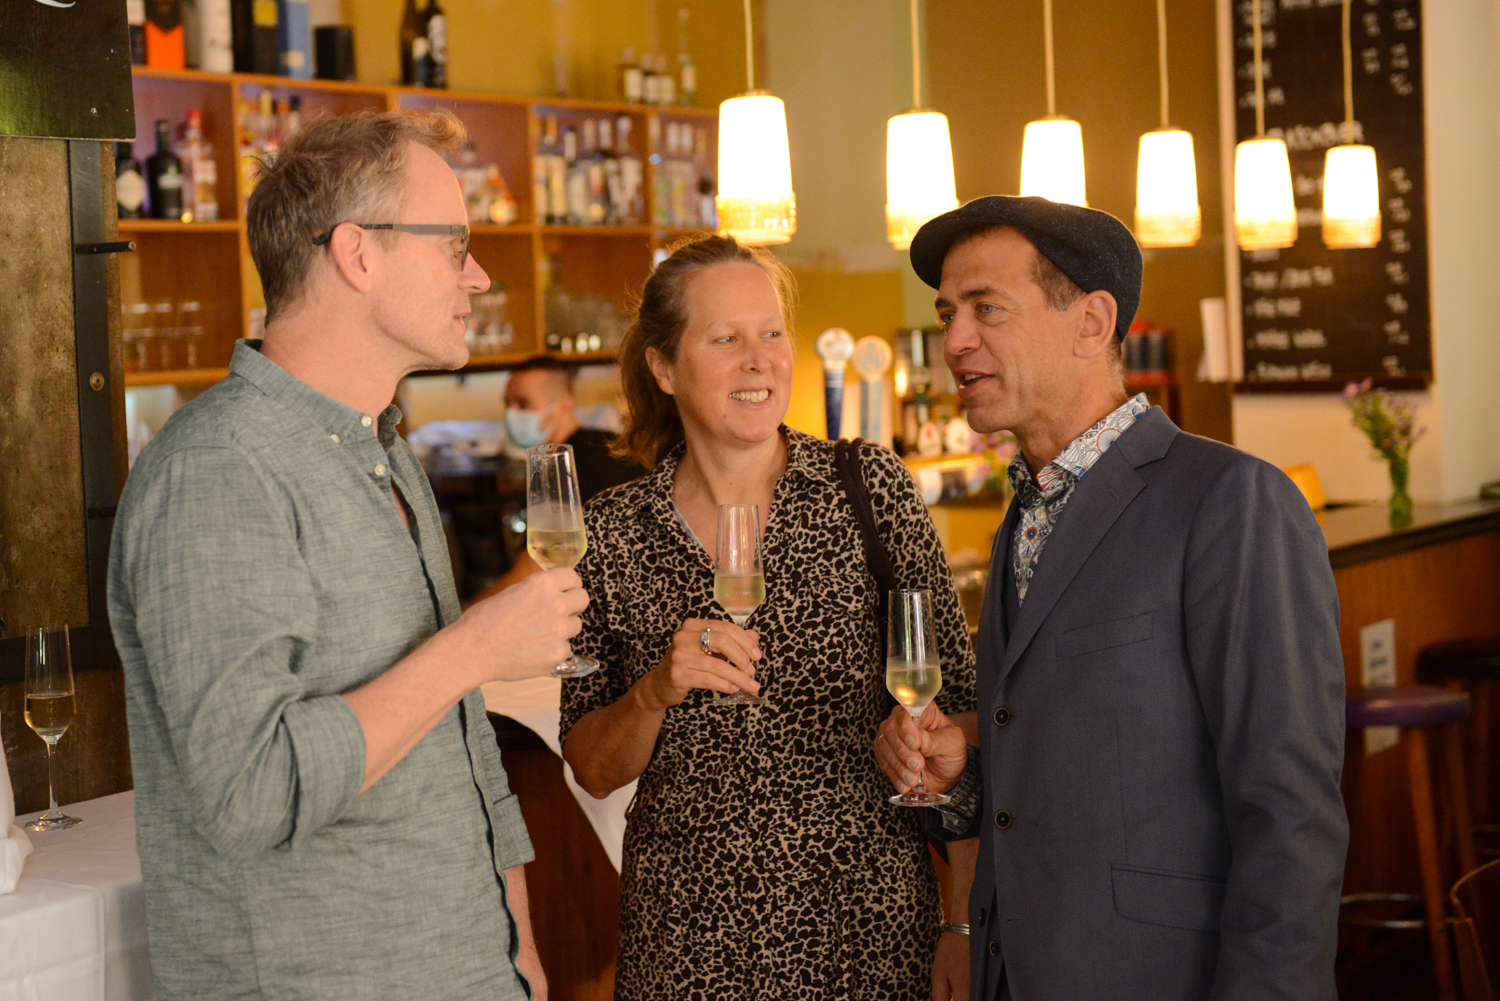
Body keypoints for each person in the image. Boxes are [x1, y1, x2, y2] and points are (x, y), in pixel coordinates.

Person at [107, 110, 590, 1001]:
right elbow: (251, 790)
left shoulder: (385, 451)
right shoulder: (218, 469)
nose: (479, 276)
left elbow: (464, 751)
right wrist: (475, 647)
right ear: (359, 254)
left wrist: (517, 948)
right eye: (455, 245)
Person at [872, 195, 1348, 1000]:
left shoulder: (1233, 500)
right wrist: (965, 773)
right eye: (949, 313)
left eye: (987, 308)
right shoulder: (1022, 515)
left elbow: (1290, 814)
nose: (954, 341)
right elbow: (1070, 771)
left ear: (1091, 323)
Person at [559, 235, 980, 1001]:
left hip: (870, 936)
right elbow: (592, 766)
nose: (760, 361)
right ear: (663, 367)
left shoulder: (867, 487)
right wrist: (653, 692)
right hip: (687, 949)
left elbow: (965, 717)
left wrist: (962, 924)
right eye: (725, 339)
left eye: (772, 333)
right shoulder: (612, 533)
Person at [481, 356, 642, 594]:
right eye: (508, 404)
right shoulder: (601, 442)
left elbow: (535, 572)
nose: (511, 414)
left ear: (565, 405)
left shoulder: (566, 465)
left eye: (523, 404)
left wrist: (467, 614)